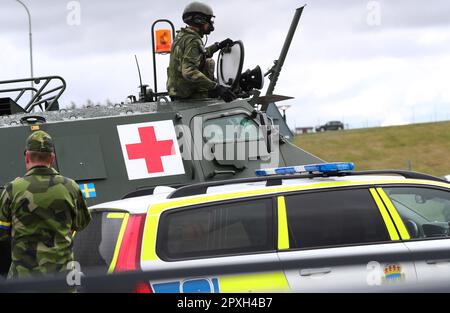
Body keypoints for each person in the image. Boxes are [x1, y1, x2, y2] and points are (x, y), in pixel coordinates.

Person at [0, 130, 91, 279]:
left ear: (27, 157)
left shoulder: (13, 189)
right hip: (63, 279)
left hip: (23, 281)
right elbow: (81, 224)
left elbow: (2, 233)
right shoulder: (71, 187)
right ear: (52, 158)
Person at [167, 1, 236, 102]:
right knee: (210, 63)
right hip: (189, 95)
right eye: (209, 20)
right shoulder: (193, 40)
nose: (211, 24)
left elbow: (198, 55)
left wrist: (218, 46)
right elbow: (189, 72)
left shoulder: (182, 36)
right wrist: (216, 88)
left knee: (208, 61)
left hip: (178, 91)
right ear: (200, 20)